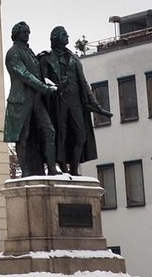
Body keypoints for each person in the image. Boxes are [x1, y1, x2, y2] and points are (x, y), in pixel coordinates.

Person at [38, 25, 112, 176]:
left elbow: (83, 83)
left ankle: (74, 167)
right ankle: (65, 170)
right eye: (64, 34)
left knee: (81, 135)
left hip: (75, 101)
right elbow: (43, 81)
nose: (67, 37)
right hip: (58, 101)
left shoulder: (73, 59)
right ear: (56, 38)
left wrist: (96, 105)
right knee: (61, 134)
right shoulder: (46, 58)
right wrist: (57, 87)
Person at [1, 22, 57, 178]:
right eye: (24, 32)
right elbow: (24, 75)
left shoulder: (30, 52)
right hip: (20, 100)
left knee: (49, 131)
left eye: (28, 32)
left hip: (36, 99)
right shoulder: (13, 53)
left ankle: (52, 169)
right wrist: (44, 88)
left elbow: (38, 74)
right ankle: (25, 172)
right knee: (22, 136)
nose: (27, 34)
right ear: (16, 34)